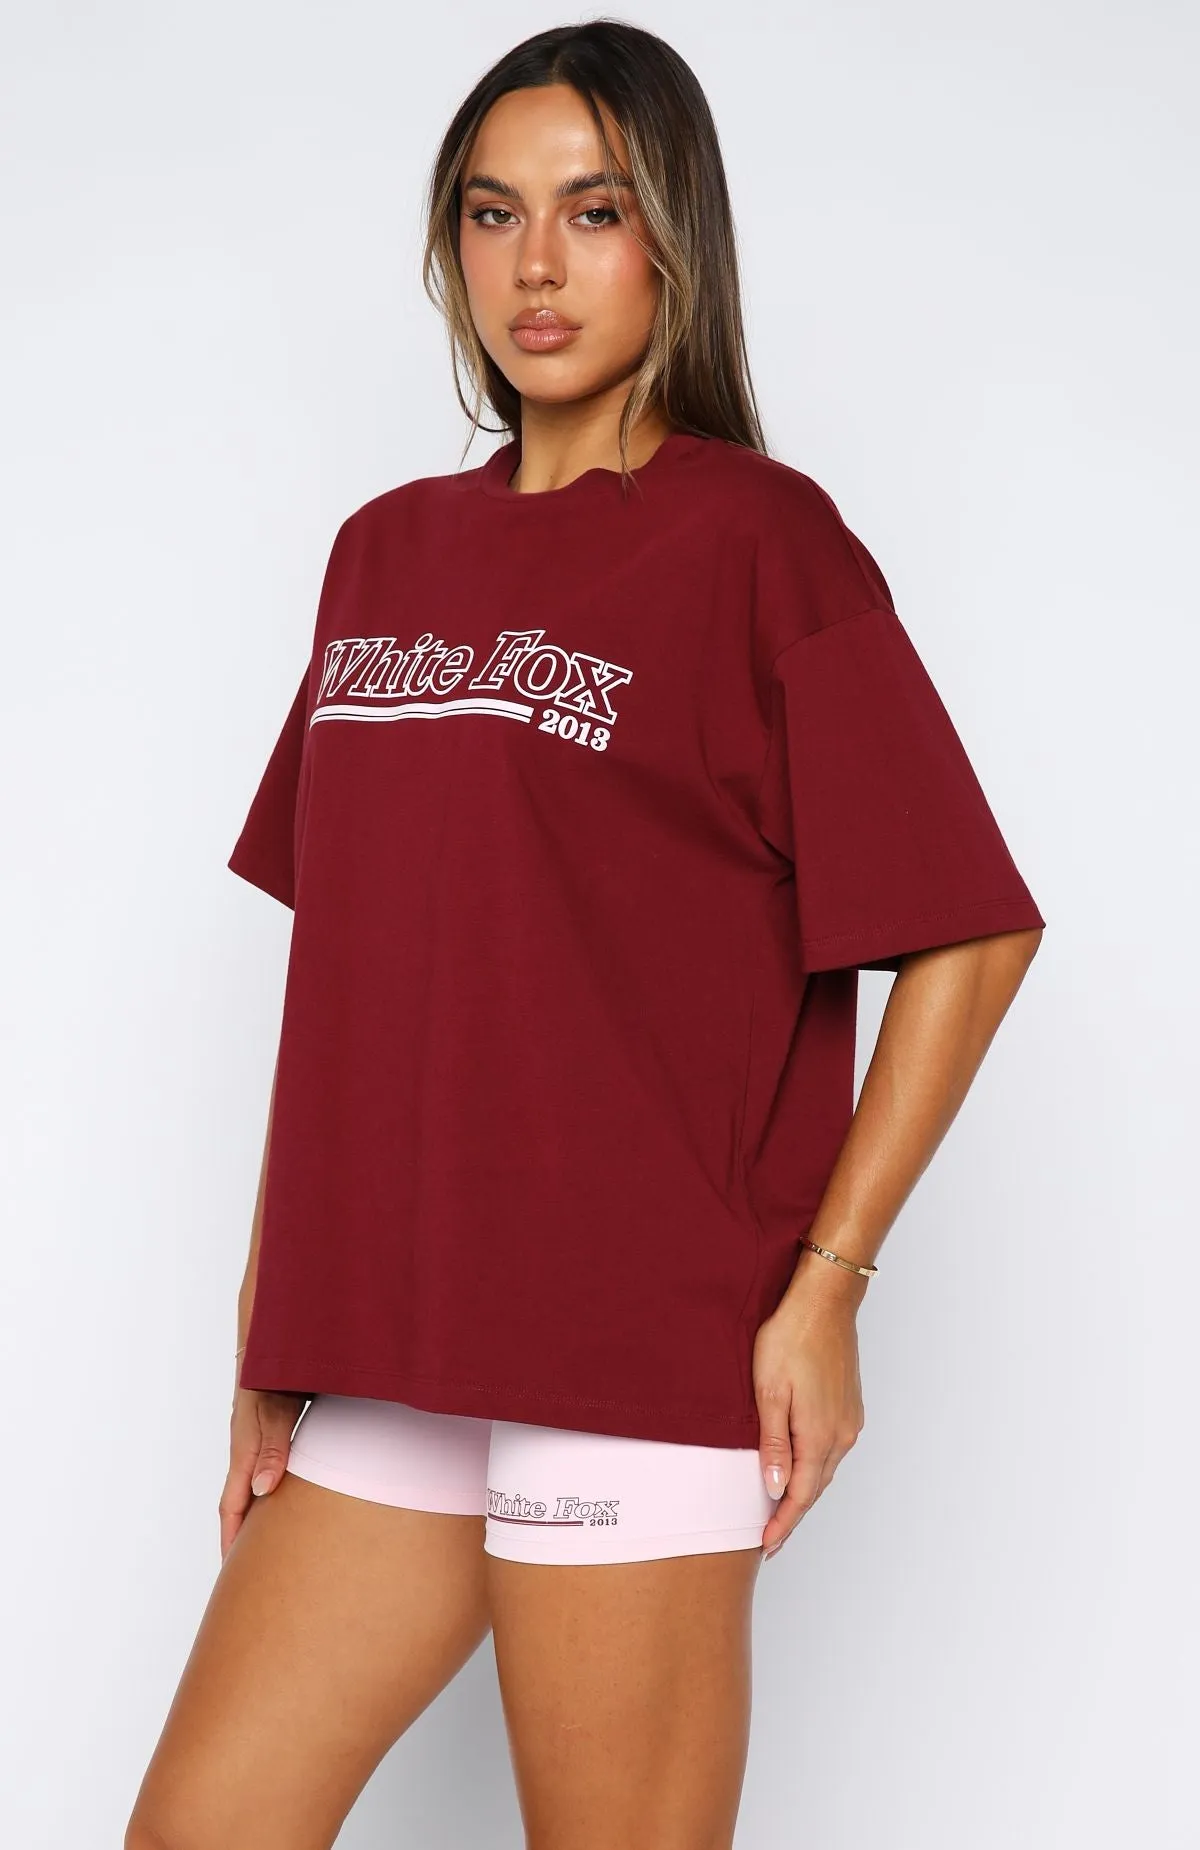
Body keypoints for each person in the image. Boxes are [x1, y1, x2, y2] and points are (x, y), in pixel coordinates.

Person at [126, 20, 1045, 1850]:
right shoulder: (382, 553)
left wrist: (828, 1286)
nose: (535, 265)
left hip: (632, 1347)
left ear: (672, 236)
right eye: (492, 215)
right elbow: (349, 968)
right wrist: (266, 1319)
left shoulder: (763, 542)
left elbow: (971, 929)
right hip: (383, 1340)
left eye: (593, 210)